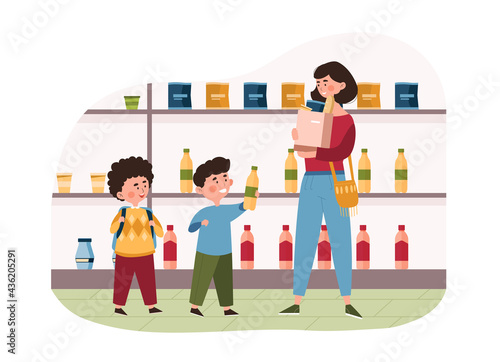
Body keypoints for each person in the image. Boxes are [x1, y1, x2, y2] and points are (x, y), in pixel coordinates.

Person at [279, 61, 362, 319]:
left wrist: (312, 150)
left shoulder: (347, 121)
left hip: (335, 181)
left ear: (341, 85)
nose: (322, 87)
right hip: (310, 180)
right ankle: (296, 300)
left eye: (326, 81)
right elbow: (305, 148)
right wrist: (298, 137)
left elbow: (342, 151)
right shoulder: (313, 114)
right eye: (318, 83)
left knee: (341, 240)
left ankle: (347, 301)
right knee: (304, 238)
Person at [188, 157, 259, 317]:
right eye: (215, 181)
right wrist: (201, 223)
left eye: (224, 179)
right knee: (201, 279)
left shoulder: (227, 210)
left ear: (230, 182)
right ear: (200, 190)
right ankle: (194, 306)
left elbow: (243, 206)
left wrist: (252, 197)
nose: (221, 184)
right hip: (205, 252)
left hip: (225, 251)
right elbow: (191, 228)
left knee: (225, 281)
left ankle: (227, 308)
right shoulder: (204, 212)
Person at [108, 156, 163, 316]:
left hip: (146, 252)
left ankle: (151, 306)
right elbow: (112, 229)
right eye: (136, 186)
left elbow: (160, 232)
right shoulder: (122, 212)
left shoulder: (148, 213)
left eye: (144, 185)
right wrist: (119, 222)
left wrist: (154, 225)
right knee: (121, 282)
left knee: (148, 282)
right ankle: (118, 306)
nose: (141, 190)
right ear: (120, 193)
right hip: (124, 253)